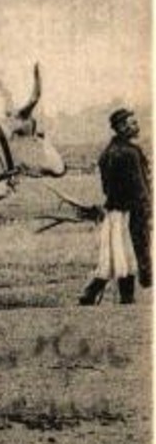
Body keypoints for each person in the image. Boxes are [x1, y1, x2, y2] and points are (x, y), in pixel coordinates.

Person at [80, 108, 152, 304]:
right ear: (121, 127)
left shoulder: (107, 153)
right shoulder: (129, 153)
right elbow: (139, 188)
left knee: (113, 255)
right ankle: (126, 299)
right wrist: (147, 211)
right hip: (129, 213)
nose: (137, 126)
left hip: (114, 212)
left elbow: (106, 188)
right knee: (126, 255)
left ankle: (90, 295)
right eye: (132, 123)